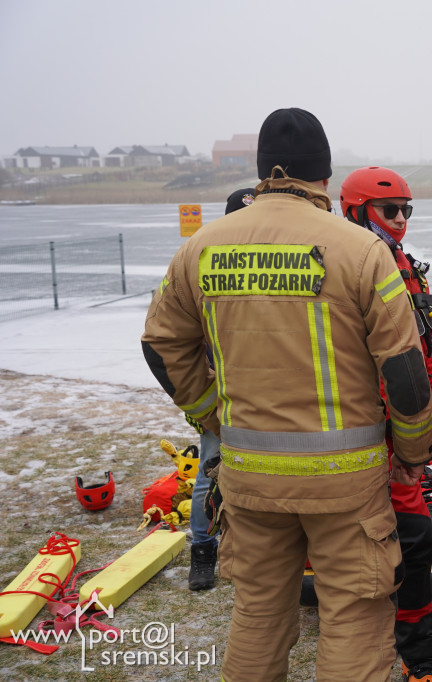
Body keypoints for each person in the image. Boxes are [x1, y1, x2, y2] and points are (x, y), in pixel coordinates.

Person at [141, 108, 432, 680]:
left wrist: (211, 416)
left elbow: (160, 344)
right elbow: (404, 372)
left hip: (250, 474)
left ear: (260, 173)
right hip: (346, 480)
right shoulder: (361, 251)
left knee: (258, 612)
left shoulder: (202, 247)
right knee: (353, 612)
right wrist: (412, 457)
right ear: (324, 177)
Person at [339, 166, 432, 682]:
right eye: (391, 210)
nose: (402, 219)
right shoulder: (347, 265)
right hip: (361, 430)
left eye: (407, 209)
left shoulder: (404, 265)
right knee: (397, 540)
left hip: (400, 425)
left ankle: (418, 659)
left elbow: (420, 344)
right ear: (359, 212)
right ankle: (384, 647)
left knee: (415, 541)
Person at [186, 186, 257, 592]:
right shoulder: (200, 265)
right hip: (219, 395)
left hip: (260, 393)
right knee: (210, 473)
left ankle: (251, 550)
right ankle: (202, 550)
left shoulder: (261, 269)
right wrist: (200, 399)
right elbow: (174, 340)